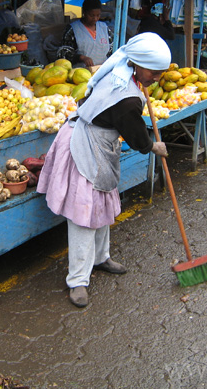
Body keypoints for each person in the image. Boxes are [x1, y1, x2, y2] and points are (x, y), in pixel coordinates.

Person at [37, 32, 170, 308]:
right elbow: (134, 134)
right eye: (154, 72)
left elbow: (129, 122)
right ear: (138, 63)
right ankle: (77, 281)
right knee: (83, 214)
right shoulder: (127, 96)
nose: (156, 78)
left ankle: (100, 257)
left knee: (101, 203)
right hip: (84, 145)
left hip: (99, 141)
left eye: (159, 74)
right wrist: (152, 146)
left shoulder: (124, 71)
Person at [57, 0, 113, 68]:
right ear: (84, 13)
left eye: (98, 15)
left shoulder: (104, 28)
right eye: (91, 15)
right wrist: (81, 58)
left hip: (102, 71)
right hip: (80, 73)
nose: (95, 18)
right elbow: (63, 54)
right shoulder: (73, 29)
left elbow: (113, 50)